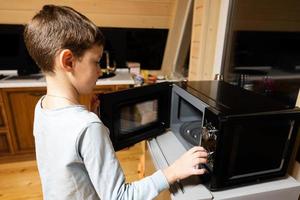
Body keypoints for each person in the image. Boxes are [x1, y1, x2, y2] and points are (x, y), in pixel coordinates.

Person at [24, 4, 208, 200]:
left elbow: (69, 154)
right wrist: (173, 172)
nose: (99, 71)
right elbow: (119, 197)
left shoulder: (43, 106)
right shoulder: (86, 126)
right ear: (68, 61)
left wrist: (98, 131)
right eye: (96, 61)